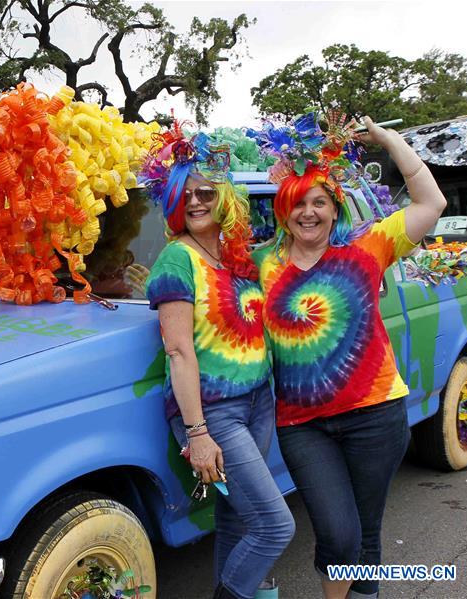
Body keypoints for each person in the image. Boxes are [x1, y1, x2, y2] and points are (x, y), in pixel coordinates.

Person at [251, 114, 447, 599]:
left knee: (365, 532)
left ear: (335, 210)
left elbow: (432, 202)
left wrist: (390, 140)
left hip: (376, 416)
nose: (309, 212)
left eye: (319, 202)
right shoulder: (261, 264)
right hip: (302, 425)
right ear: (283, 211)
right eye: (298, 203)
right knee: (338, 533)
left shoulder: (368, 247)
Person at [140, 125, 295, 599]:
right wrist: (198, 434)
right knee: (274, 525)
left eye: (206, 192)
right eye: (183, 195)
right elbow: (179, 350)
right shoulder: (176, 260)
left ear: (225, 196)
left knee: (236, 517)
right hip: (215, 412)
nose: (195, 202)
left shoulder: (235, 258)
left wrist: (290, 176)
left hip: (258, 402)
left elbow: (304, 234)